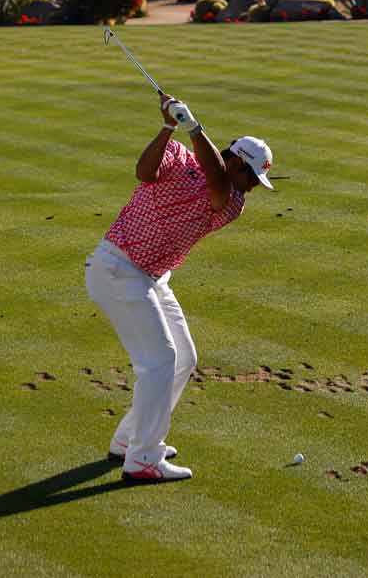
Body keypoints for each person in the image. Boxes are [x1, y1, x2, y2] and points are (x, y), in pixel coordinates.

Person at [85, 93, 274, 482]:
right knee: (159, 361)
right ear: (236, 161)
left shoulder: (233, 199)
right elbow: (143, 172)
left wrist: (194, 128)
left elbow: (218, 187)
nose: (253, 187)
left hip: (151, 275)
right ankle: (143, 459)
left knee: (183, 359)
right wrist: (171, 126)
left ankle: (130, 440)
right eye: (252, 177)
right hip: (117, 268)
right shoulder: (177, 156)